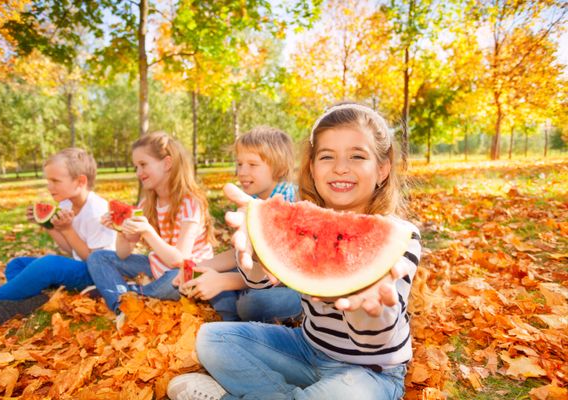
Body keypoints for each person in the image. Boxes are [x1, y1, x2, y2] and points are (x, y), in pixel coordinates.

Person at [167, 103, 422, 400]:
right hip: (305, 349)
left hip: (369, 372)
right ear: (312, 169)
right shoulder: (302, 223)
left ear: (382, 169)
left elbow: (375, 338)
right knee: (212, 339)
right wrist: (254, 252)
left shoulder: (402, 237)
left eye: (357, 156)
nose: (341, 167)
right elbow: (259, 281)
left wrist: (365, 310)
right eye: (327, 157)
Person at [87, 131, 237, 325]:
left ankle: (126, 294)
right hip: (156, 266)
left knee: (175, 278)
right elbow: (123, 254)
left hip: (189, 272)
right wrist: (121, 230)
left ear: (167, 163)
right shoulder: (146, 204)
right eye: (136, 167)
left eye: (143, 165)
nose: (138, 172)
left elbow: (180, 260)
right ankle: (122, 308)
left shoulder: (191, 203)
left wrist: (148, 232)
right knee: (99, 258)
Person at [0, 148, 116, 324]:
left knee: (49, 264)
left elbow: (95, 260)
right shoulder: (67, 204)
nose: (49, 186)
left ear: (80, 181)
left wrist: (67, 229)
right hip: (80, 268)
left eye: (55, 180)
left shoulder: (97, 210)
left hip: (98, 275)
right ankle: (33, 300)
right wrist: (48, 225)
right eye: (48, 180)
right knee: (17, 264)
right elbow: (68, 248)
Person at [180, 126, 302, 323]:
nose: (242, 172)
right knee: (197, 280)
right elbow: (240, 254)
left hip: (293, 289)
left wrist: (224, 282)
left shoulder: (294, 201)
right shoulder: (250, 200)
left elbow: (283, 272)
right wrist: (201, 266)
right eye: (239, 164)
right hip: (255, 278)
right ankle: (231, 315)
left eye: (252, 165)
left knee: (252, 304)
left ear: (279, 168)